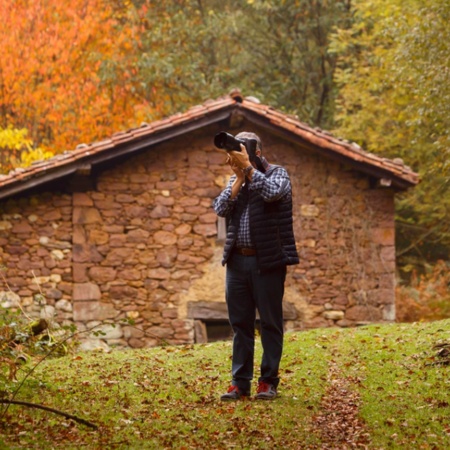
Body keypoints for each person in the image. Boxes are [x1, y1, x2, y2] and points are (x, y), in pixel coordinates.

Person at [213, 131, 299, 400]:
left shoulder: (278, 174)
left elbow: (273, 194)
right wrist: (239, 178)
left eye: (241, 151)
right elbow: (220, 208)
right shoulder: (236, 178)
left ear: (257, 153)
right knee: (240, 325)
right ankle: (240, 384)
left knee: (271, 324)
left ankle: (268, 382)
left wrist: (249, 169)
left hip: (268, 261)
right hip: (237, 262)